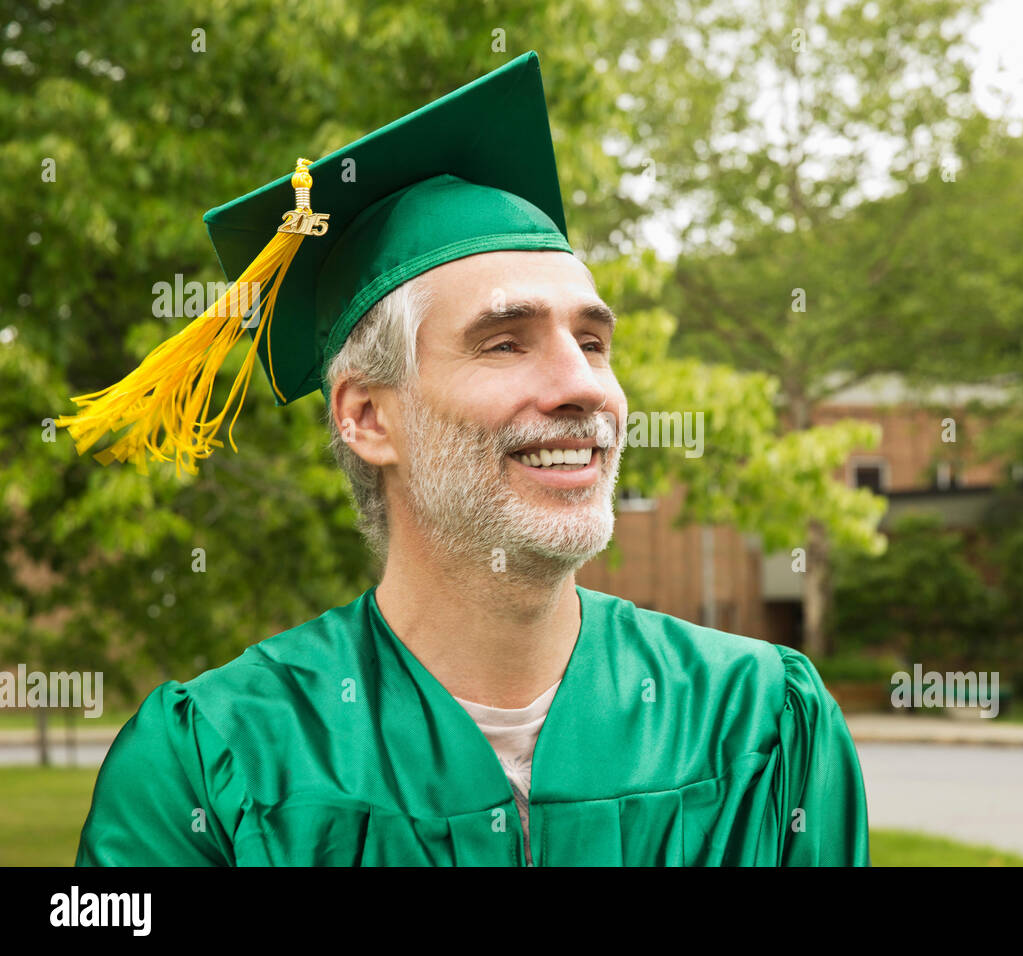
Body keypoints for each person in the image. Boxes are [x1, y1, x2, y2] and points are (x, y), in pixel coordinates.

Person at [67, 51, 870, 866]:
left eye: (593, 342)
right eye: (504, 342)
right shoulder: (210, 765)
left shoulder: (764, 726)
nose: (581, 386)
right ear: (369, 417)